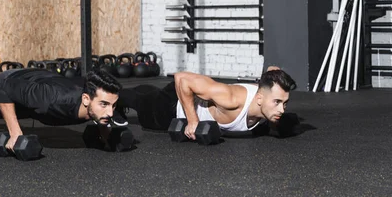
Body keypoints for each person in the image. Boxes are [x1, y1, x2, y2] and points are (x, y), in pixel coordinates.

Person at [117, 67, 298, 139]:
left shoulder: (265, 98)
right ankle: (115, 96)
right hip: (173, 106)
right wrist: (193, 120)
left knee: (148, 93)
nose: (281, 109)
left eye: (284, 103)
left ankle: (145, 91)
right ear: (259, 99)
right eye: (276, 102)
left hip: (186, 97)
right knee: (140, 104)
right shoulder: (230, 99)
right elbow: (182, 79)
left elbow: (272, 69)